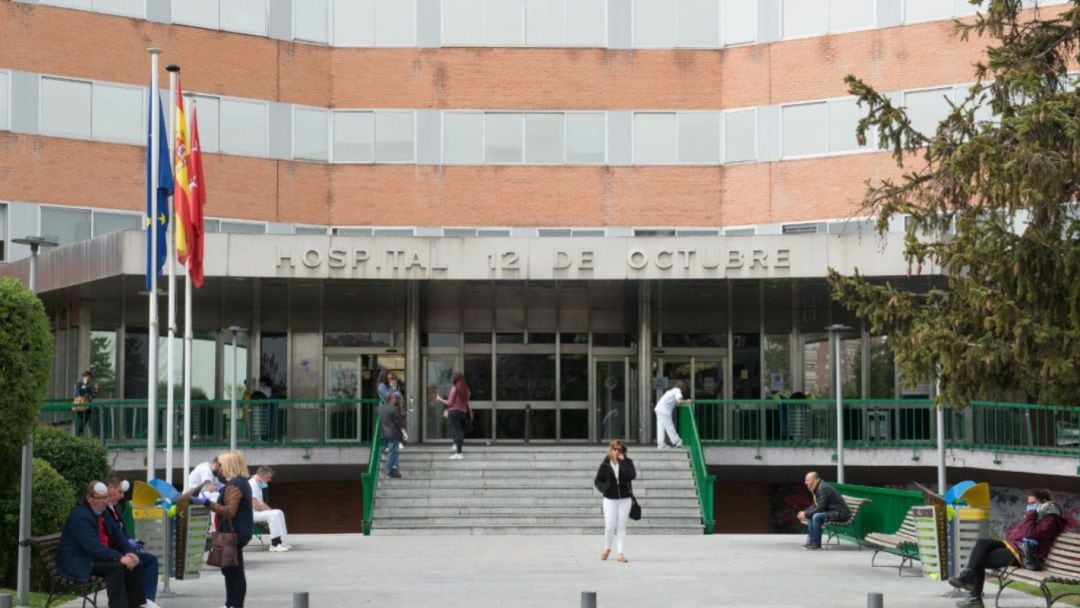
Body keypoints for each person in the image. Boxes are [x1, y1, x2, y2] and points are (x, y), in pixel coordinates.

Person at [948, 489, 1068, 607]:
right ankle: (968, 578)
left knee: (980, 559)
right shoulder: (1036, 517)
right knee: (982, 543)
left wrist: (1030, 516)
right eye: (1028, 503)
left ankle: (974, 596)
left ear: (1043, 503)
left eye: (1032, 503)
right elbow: (1014, 534)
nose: (1029, 506)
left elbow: (1029, 533)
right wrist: (1027, 526)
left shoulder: (1050, 519)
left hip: (1027, 556)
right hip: (1017, 547)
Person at [57, 481, 151, 608]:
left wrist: (129, 552)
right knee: (117, 566)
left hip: (92, 557)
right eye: (100, 498)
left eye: (106, 497)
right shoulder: (80, 517)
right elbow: (93, 547)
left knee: (133, 563)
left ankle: (137, 605)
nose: (104, 501)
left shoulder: (102, 512)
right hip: (79, 560)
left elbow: (118, 535)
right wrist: (119, 557)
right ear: (89, 498)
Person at [192, 450, 253, 608]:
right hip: (238, 531)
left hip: (234, 533)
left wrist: (206, 503)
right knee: (230, 569)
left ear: (228, 465)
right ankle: (231, 603)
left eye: (220, 465)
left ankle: (234, 604)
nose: (217, 469)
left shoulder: (234, 485)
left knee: (234, 571)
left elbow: (229, 511)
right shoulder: (240, 483)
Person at [105, 473, 162, 607]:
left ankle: (146, 601)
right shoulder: (103, 510)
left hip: (121, 548)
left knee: (150, 560)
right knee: (139, 562)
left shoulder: (116, 507)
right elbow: (110, 536)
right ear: (109, 488)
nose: (122, 496)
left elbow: (122, 530)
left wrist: (131, 541)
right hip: (113, 552)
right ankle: (141, 601)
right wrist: (128, 549)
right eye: (119, 492)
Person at [593, 439, 637, 564]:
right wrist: (605, 489)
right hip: (610, 499)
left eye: (620, 450)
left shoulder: (628, 462)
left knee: (621, 527)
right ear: (611, 450)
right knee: (609, 527)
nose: (617, 452)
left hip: (625, 499)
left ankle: (620, 553)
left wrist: (623, 462)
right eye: (615, 449)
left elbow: (631, 476)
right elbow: (597, 481)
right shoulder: (605, 464)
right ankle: (607, 549)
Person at [796, 471, 850, 550]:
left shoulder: (822, 488)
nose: (805, 482)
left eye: (807, 480)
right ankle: (811, 542)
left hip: (841, 514)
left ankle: (816, 544)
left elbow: (821, 507)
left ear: (814, 479)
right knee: (812, 515)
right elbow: (816, 505)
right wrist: (805, 512)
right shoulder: (818, 486)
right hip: (832, 512)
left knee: (816, 516)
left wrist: (805, 514)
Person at [248, 465, 291, 552]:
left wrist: (271, 511)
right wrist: (270, 514)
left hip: (255, 512)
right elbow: (256, 506)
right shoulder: (252, 484)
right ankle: (274, 544)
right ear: (261, 474)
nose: (269, 480)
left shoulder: (258, 484)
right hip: (250, 513)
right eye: (268, 477)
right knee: (274, 515)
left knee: (278, 512)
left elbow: (261, 503)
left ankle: (279, 541)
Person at [437, 372, 471, 460]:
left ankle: (458, 452)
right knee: (460, 431)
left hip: (454, 413)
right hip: (463, 413)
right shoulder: (467, 390)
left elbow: (450, 403)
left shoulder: (454, 388)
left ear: (455, 379)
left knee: (456, 431)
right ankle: (456, 447)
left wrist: (440, 399)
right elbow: (466, 402)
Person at [654, 379, 691, 449]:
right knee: (669, 426)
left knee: (661, 427)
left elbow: (676, 403)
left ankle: (661, 443)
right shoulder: (677, 391)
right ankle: (677, 441)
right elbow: (679, 401)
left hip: (658, 408)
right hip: (664, 410)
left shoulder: (671, 390)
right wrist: (687, 401)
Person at [377, 369, 407, 451]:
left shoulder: (390, 386)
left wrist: (394, 388)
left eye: (392, 375)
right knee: (390, 426)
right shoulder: (381, 386)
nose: (391, 377)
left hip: (395, 407)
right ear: (385, 375)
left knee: (398, 423)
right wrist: (394, 391)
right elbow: (388, 396)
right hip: (387, 408)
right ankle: (390, 444)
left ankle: (398, 441)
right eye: (389, 375)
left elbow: (398, 395)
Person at [378, 392, 406, 478]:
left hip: (384, 433)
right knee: (392, 452)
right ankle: (389, 471)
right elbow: (398, 422)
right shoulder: (393, 409)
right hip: (393, 433)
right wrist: (404, 431)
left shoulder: (380, 408)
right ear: (391, 399)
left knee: (394, 452)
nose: (395, 400)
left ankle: (395, 469)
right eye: (394, 398)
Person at [73, 370, 97, 436]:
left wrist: (94, 390)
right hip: (81, 405)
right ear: (84, 377)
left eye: (89, 377)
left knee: (85, 420)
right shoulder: (79, 384)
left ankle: (80, 434)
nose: (89, 379)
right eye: (87, 377)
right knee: (80, 420)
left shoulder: (89, 385)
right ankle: (77, 435)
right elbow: (80, 392)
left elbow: (92, 395)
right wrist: (85, 383)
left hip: (88, 405)